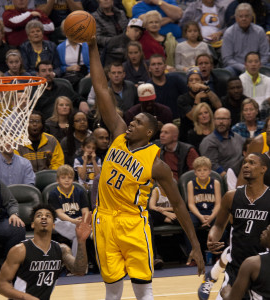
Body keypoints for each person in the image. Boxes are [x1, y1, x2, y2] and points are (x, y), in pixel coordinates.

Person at [87, 36, 204, 299]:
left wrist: (196, 245)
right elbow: (101, 87)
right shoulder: (118, 132)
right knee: (112, 291)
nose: (131, 122)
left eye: (138, 122)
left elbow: (178, 204)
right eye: (132, 119)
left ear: (149, 132)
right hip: (103, 219)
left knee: (143, 290)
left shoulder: (157, 164)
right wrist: (93, 47)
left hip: (133, 224)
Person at [199, 153, 270, 300]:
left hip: (262, 268)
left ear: (263, 168)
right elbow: (219, 225)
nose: (246, 165)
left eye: (252, 163)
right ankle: (213, 276)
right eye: (245, 162)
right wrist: (213, 236)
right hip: (235, 267)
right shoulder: (231, 196)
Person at [0, 203, 91, 299]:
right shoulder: (19, 250)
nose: (43, 218)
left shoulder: (61, 250)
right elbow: (0, 285)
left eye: (48, 216)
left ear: (53, 225)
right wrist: (27, 298)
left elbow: (80, 271)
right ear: (32, 224)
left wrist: (81, 241)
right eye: (39, 215)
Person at [48, 165, 90, 257]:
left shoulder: (80, 192)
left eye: (70, 178)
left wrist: (83, 221)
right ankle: (78, 264)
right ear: (57, 180)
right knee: (55, 222)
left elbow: (85, 211)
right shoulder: (53, 194)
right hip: (63, 222)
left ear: (73, 180)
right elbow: (59, 214)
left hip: (78, 221)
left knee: (78, 235)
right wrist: (73, 221)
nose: (67, 180)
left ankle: (75, 264)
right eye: (63, 178)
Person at [185, 156, 221, 262]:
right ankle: (192, 257)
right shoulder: (191, 183)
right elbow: (191, 204)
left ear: (210, 171)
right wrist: (201, 217)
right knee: (188, 225)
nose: (202, 173)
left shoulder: (215, 183)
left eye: (205, 170)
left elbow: (218, 204)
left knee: (221, 224)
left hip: (212, 212)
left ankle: (218, 255)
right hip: (197, 212)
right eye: (199, 170)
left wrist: (211, 217)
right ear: (195, 172)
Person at [221, 224, 270, 300]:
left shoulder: (252, 264)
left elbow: (232, 299)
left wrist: (225, 292)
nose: (263, 232)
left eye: (267, 230)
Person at [221, 3, 269, 76]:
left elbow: (265, 55)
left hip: (257, 66)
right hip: (237, 68)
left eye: (247, 16)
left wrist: (256, 66)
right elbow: (227, 59)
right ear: (236, 18)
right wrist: (244, 67)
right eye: (241, 16)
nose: (244, 19)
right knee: (228, 72)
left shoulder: (259, 31)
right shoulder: (229, 33)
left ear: (251, 17)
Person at [177, 67, 222, 142]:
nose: (194, 82)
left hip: (209, 134)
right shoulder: (182, 99)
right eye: (191, 80)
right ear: (187, 84)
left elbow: (219, 106)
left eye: (197, 80)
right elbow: (193, 118)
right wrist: (197, 99)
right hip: (189, 136)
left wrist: (207, 89)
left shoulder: (208, 95)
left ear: (202, 82)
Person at [199, 108, 244, 177]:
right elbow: (212, 165)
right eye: (218, 119)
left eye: (224, 119)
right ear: (214, 121)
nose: (221, 122)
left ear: (230, 121)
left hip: (242, 176)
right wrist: (229, 179)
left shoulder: (238, 138)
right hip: (222, 181)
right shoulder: (208, 142)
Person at [148, 54, 187, 123]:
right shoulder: (148, 87)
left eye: (159, 64)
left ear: (165, 66)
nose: (157, 67)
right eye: (153, 64)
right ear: (149, 68)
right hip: (159, 124)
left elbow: (187, 97)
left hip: (180, 121)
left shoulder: (176, 79)